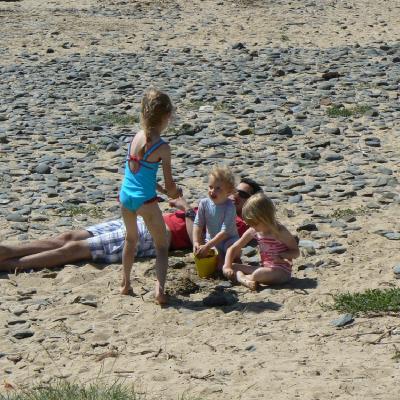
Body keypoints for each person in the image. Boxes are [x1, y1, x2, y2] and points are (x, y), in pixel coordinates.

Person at [0, 178, 262, 273]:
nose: (235, 195)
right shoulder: (215, 202)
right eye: (235, 190)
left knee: (77, 248)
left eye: (243, 194)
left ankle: (11, 264)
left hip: (159, 236)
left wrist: (184, 208)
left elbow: (204, 233)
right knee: (70, 235)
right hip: (149, 221)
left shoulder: (238, 221)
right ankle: (10, 250)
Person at [118, 89, 181, 304]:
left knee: (131, 238)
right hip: (145, 201)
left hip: (126, 197)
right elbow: (171, 184)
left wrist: (161, 191)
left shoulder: (136, 137)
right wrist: (174, 193)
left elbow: (139, 172)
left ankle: (125, 283)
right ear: (166, 116)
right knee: (161, 245)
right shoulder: (162, 147)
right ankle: (160, 291)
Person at [223, 192, 299, 290]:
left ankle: (242, 278)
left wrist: (282, 255)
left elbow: (296, 252)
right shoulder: (254, 230)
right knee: (233, 266)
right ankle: (246, 279)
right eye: (250, 224)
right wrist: (227, 266)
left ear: (265, 218)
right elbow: (234, 248)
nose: (252, 227)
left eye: (254, 223)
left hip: (281, 271)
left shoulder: (280, 232)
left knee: (259, 273)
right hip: (265, 268)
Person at [193, 166, 239, 269]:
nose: (212, 191)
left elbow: (225, 232)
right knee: (214, 264)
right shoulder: (204, 203)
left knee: (231, 250)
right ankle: (225, 262)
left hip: (229, 240)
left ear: (229, 191)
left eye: (218, 188)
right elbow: (198, 224)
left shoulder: (230, 207)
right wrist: (196, 241)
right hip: (212, 241)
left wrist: (207, 246)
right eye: (210, 187)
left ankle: (232, 262)